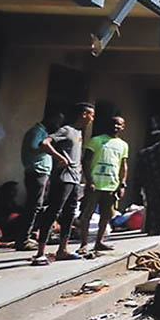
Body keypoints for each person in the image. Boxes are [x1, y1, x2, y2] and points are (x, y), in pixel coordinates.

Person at [31, 102, 94, 266]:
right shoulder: (66, 130)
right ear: (83, 114)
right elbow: (45, 143)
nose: (92, 119)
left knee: (69, 214)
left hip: (74, 179)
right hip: (63, 178)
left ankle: (62, 250)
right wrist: (60, 157)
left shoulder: (79, 133)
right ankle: (40, 253)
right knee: (53, 212)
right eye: (91, 115)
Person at [77, 115, 130, 255]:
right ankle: (84, 244)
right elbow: (86, 161)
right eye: (114, 123)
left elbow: (123, 165)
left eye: (119, 124)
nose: (116, 126)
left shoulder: (123, 145)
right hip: (95, 185)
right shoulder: (96, 140)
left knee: (106, 216)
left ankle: (99, 242)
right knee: (86, 215)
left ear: (123, 127)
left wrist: (122, 184)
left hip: (111, 186)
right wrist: (89, 181)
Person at [14, 109, 63, 251]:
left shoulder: (43, 133)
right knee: (33, 206)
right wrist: (51, 151)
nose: (58, 125)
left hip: (42, 173)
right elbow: (35, 148)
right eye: (57, 121)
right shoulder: (37, 132)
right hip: (37, 173)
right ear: (51, 119)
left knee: (37, 206)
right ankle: (23, 239)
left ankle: (27, 236)